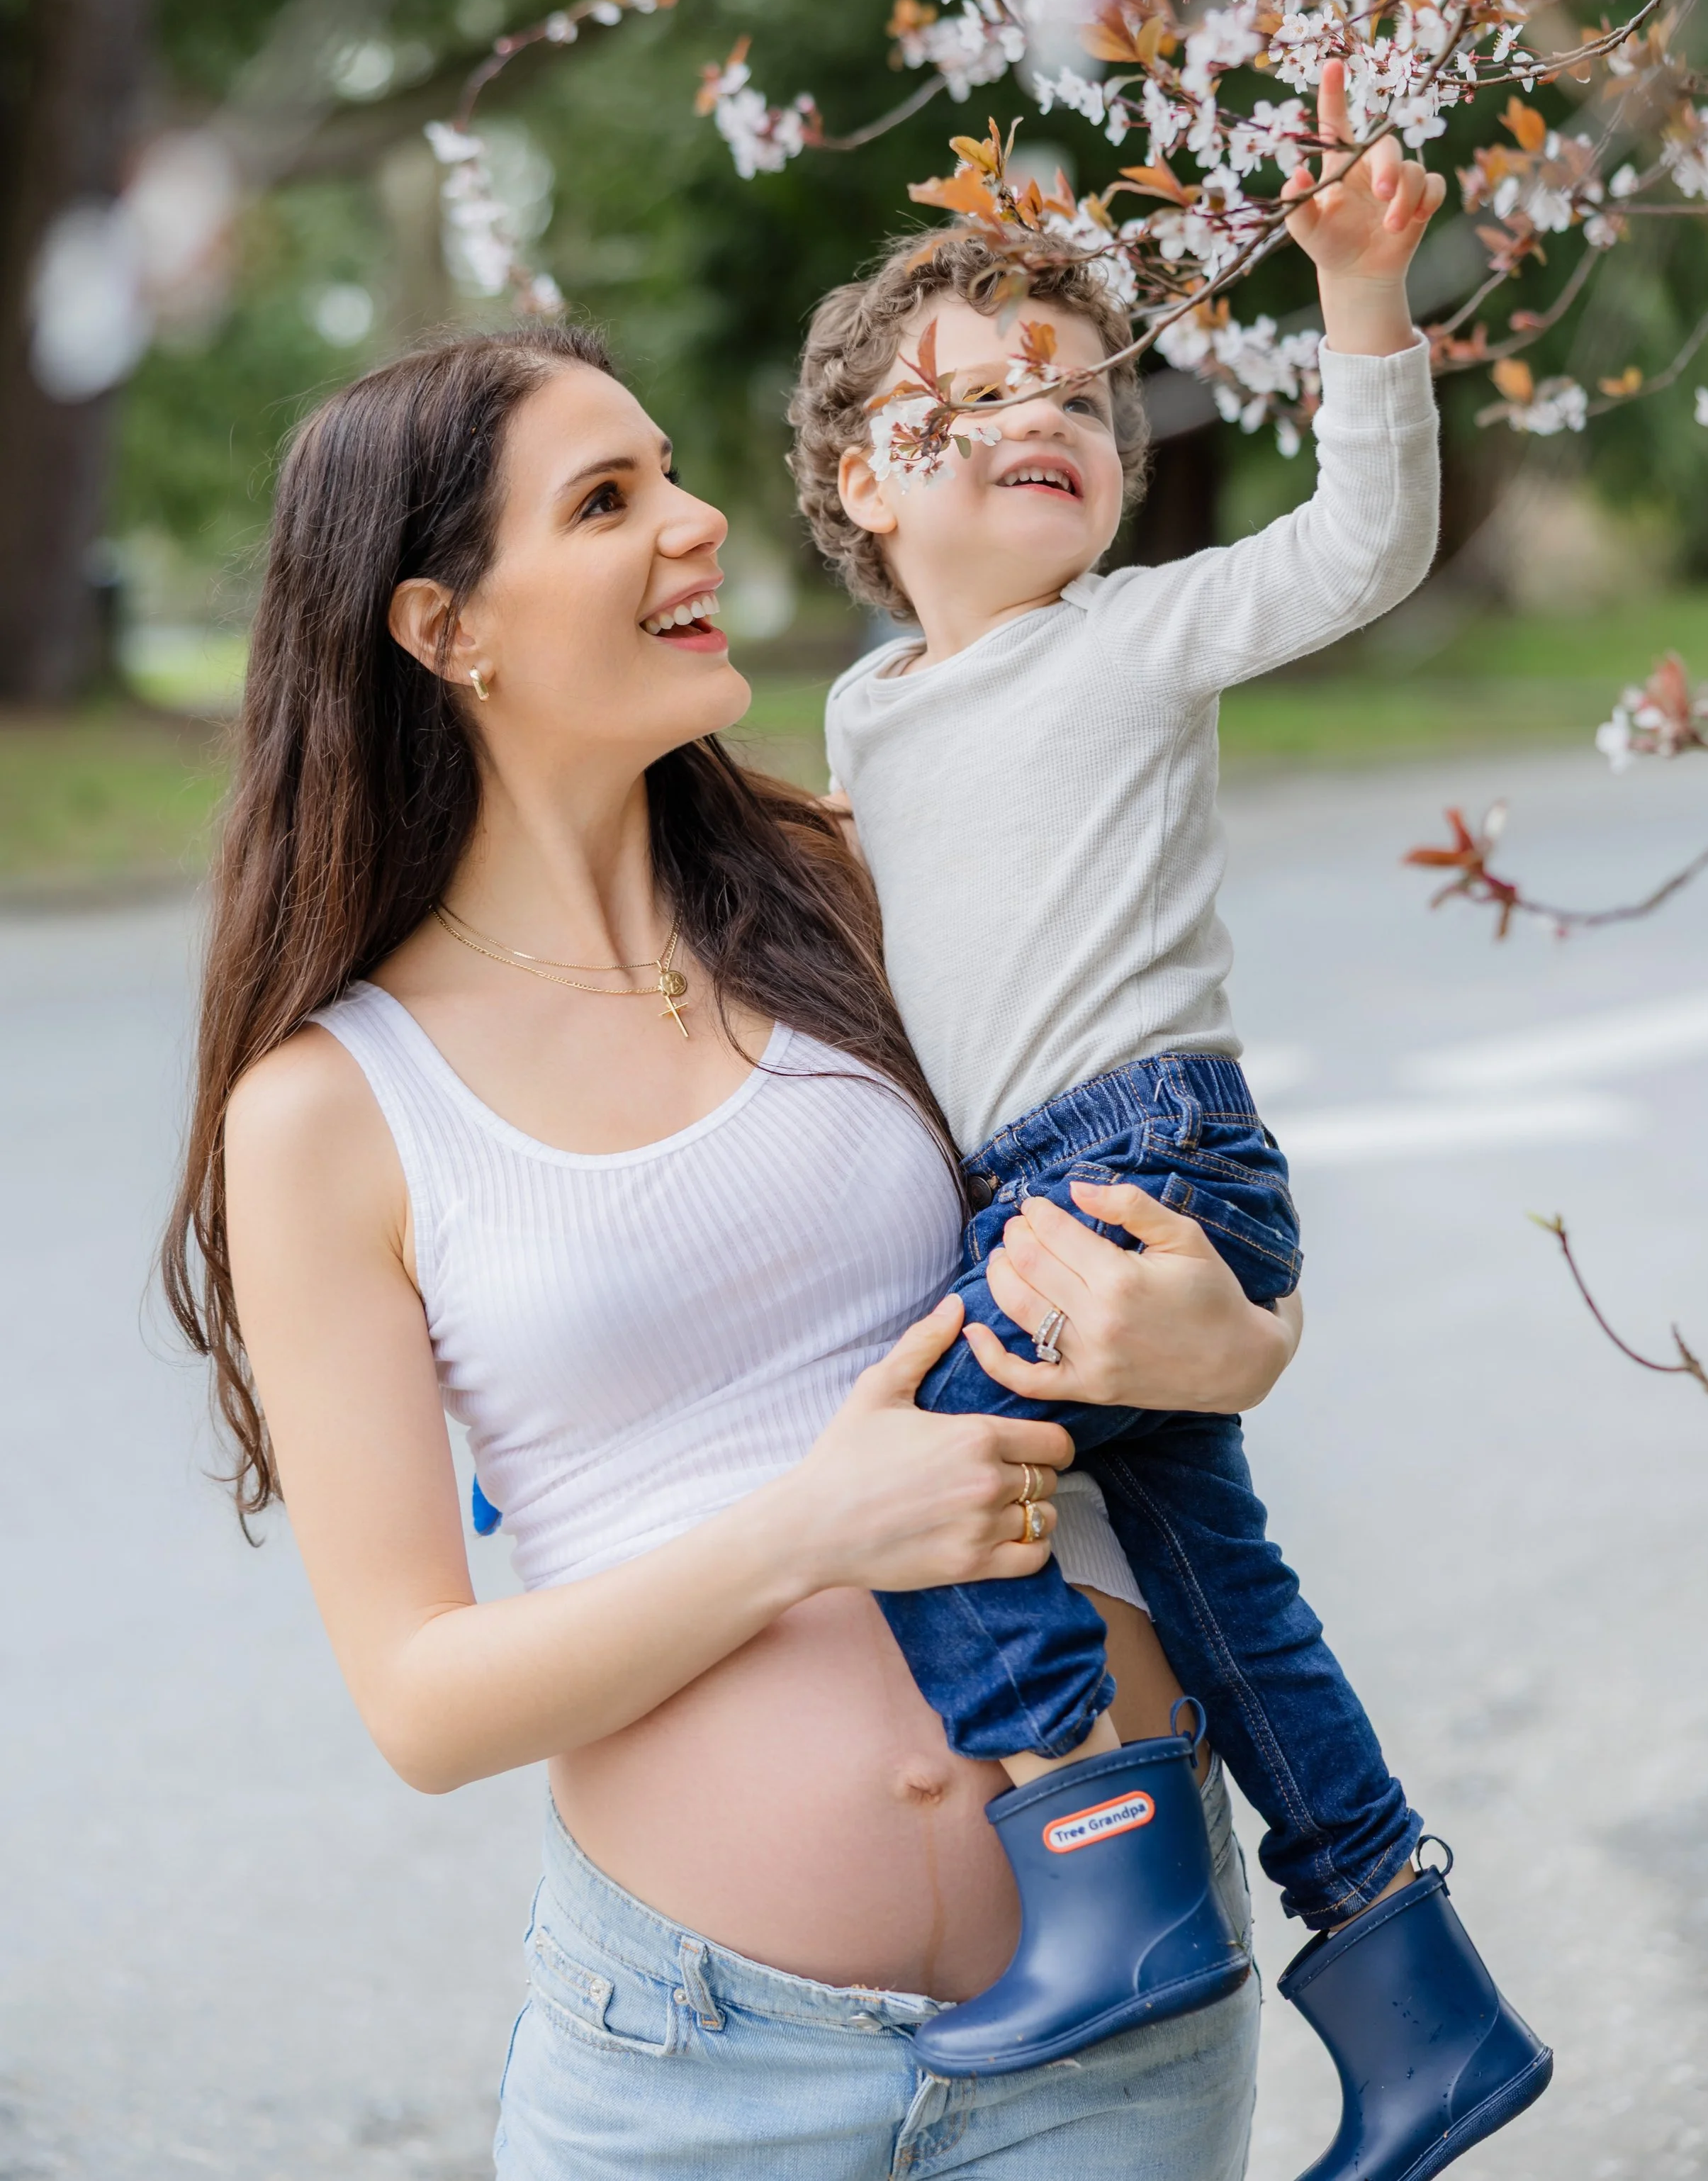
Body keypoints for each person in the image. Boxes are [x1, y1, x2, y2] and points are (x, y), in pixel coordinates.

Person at [160, 320, 1302, 2180]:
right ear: (447, 627)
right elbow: (422, 1701)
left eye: (671, 471)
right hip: (701, 2069)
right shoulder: (328, 1109)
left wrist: (1236, 1343)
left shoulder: (857, 887)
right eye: (607, 500)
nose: (693, 522)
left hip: (1119, 1992)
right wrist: (808, 1525)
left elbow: (1194, 1194)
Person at [790, 67, 1551, 2175]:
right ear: (867, 477)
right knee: (1222, 1596)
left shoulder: (1131, 636)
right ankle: (1421, 2005)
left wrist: (1360, 303)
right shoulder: (868, 706)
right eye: (980, 396)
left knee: (916, 1468)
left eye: (1082, 401)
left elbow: (1363, 544)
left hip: (1145, 1160)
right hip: (1049, 1173)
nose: (1051, 415)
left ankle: (1107, 1884)